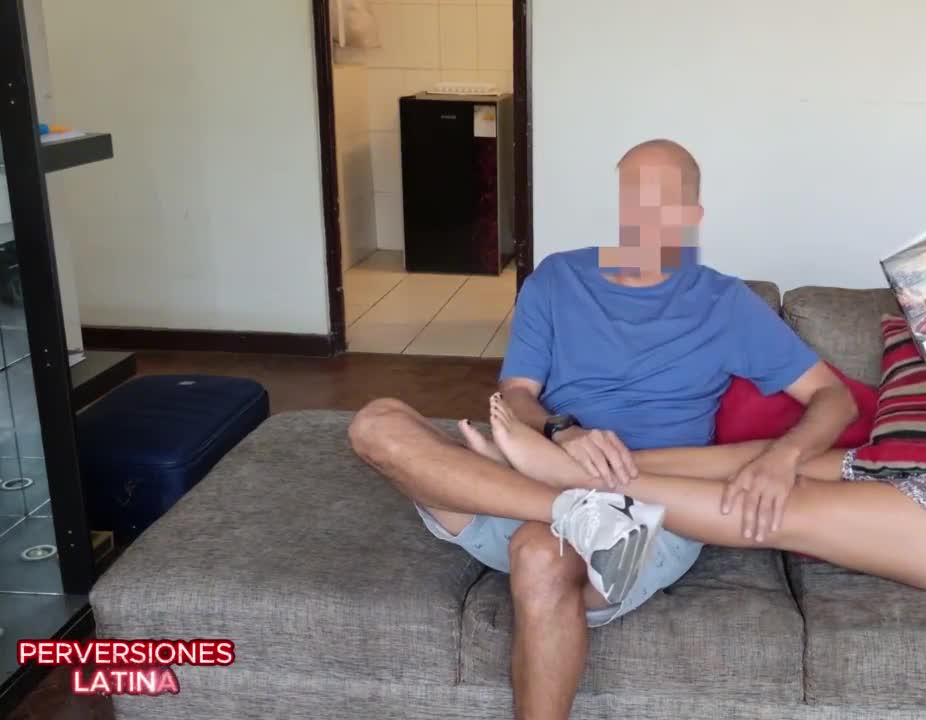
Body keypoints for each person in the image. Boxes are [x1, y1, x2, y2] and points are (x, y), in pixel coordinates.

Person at [465, 183, 926, 603]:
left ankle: (574, 485)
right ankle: (591, 464)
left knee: (776, 506)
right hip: (921, 469)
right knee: (755, 458)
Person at [348, 138, 856, 720]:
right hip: (527, 485)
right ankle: (576, 508)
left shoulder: (726, 303)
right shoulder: (557, 278)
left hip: (646, 506)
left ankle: (580, 511)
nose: (644, 212)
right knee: (376, 423)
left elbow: (834, 398)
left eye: (662, 199)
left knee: (540, 552)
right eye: (633, 193)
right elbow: (517, 397)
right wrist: (564, 431)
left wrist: (781, 458)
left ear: (692, 214)